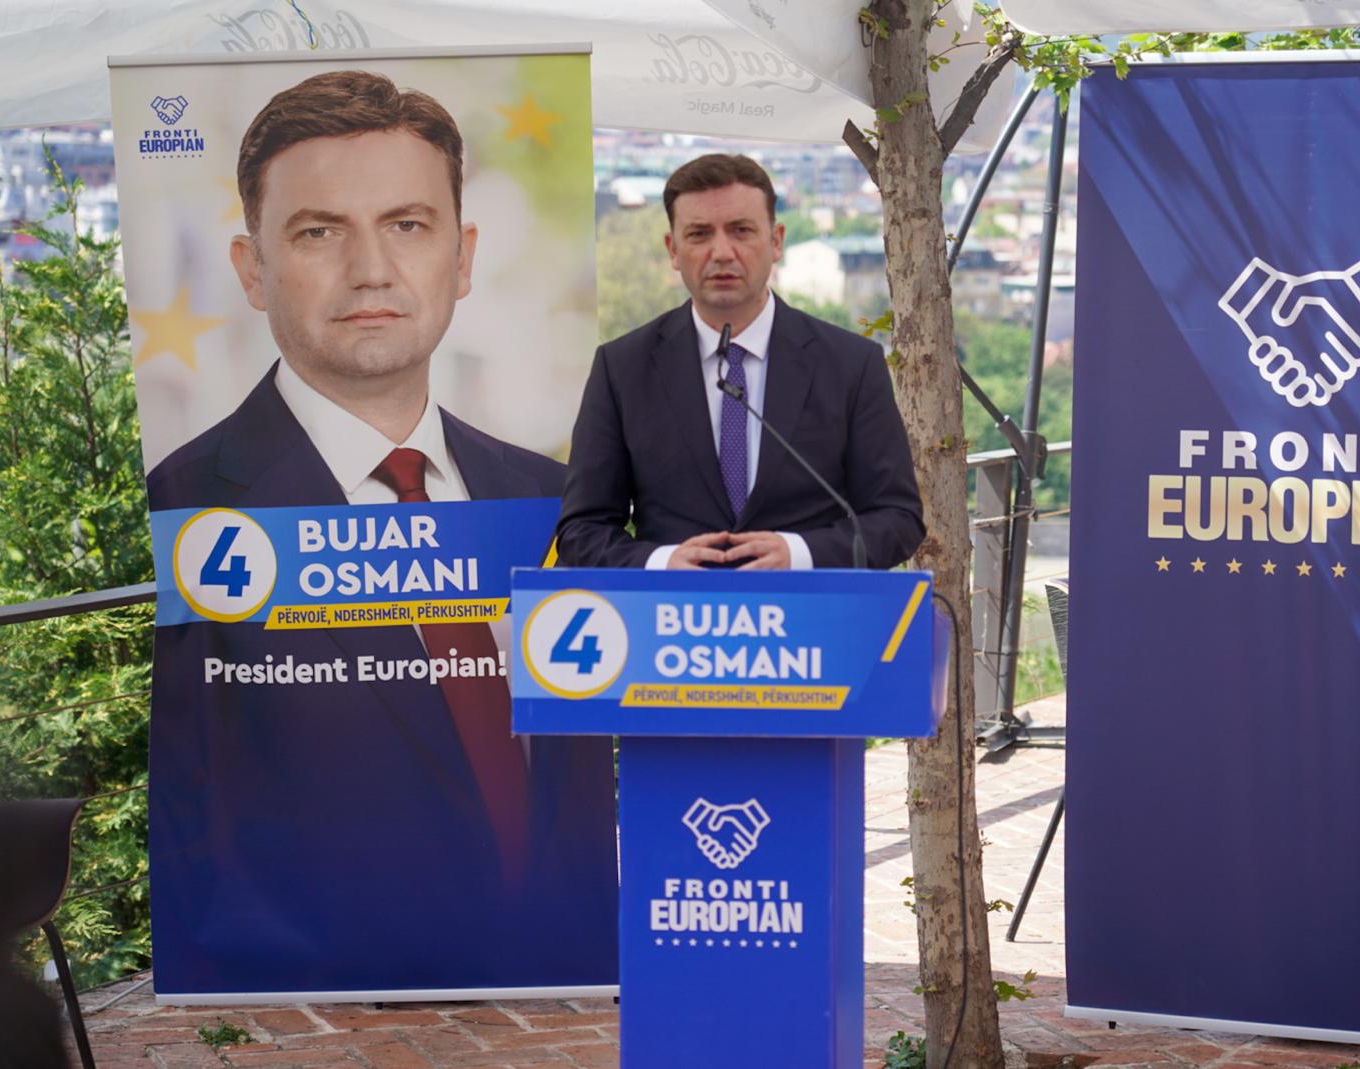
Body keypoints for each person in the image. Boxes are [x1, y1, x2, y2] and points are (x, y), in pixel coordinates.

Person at [144, 70, 615, 995]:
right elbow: (191, 802)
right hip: (326, 1007)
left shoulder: (548, 497)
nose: (371, 269)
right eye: (319, 232)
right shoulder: (189, 502)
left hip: (554, 987)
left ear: (462, 258)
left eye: (407, 224)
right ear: (252, 269)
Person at [556, 153, 925, 570]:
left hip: (810, 607)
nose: (721, 252)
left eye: (741, 230)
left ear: (776, 241)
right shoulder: (622, 368)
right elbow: (581, 531)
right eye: (699, 234)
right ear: (673, 250)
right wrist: (661, 563)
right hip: (670, 609)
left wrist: (798, 554)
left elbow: (898, 519)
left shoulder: (851, 365)